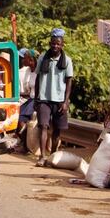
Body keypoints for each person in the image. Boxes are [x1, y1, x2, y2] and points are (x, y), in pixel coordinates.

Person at [34, 28, 73, 166]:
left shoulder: (67, 60)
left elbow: (69, 81)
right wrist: (36, 98)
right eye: (53, 43)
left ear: (62, 45)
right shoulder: (43, 58)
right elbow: (38, 78)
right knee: (43, 126)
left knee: (57, 130)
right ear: (50, 43)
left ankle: (53, 155)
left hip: (59, 100)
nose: (55, 46)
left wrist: (66, 101)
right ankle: (42, 156)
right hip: (44, 98)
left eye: (58, 44)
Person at [16, 48, 38, 141]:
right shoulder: (28, 71)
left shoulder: (39, 71)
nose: (23, 60)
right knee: (16, 116)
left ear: (31, 60)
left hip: (37, 99)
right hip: (31, 99)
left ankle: (25, 143)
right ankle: (24, 142)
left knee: (20, 118)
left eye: (24, 58)